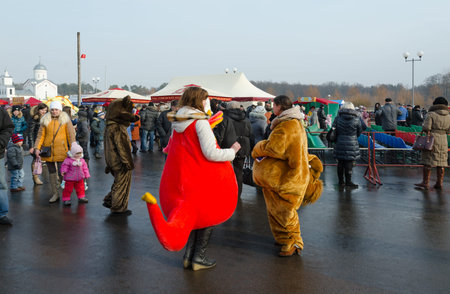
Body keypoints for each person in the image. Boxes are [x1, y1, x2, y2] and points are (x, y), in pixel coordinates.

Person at [141, 87, 241, 270]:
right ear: (199, 101)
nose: (207, 102)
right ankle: (199, 257)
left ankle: (189, 256)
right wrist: (232, 152)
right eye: (205, 99)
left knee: (194, 217)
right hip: (202, 177)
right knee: (207, 215)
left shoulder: (178, 122)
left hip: (185, 178)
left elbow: (173, 148)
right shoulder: (200, 123)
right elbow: (211, 153)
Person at [251, 95, 312, 257]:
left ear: (279, 106)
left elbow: (275, 148)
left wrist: (259, 147)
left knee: (285, 211)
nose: (271, 108)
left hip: (287, 177)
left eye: (273, 105)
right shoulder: (291, 121)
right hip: (285, 175)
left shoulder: (287, 124)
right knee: (275, 210)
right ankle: (283, 238)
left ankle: (293, 242)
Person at [103, 95, 139, 215]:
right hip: (120, 161)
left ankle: (110, 201)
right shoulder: (118, 128)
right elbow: (123, 148)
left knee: (118, 182)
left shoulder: (109, 126)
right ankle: (118, 207)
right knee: (122, 184)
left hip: (111, 160)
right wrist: (128, 163)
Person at [34, 101, 76, 203]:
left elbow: (71, 136)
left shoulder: (66, 120)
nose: (54, 111)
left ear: (60, 110)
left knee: (63, 174)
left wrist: (74, 148)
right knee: (51, 173)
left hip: (62, 151)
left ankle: (66, 196)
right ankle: (55, 194)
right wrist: (37, 148)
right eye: (52, 109)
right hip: (48, 151)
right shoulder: (45, 119)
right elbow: (41, 136)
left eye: (56, 109)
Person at [414, 97, 450, 190]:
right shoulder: (448, 116)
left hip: (432, 139)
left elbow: (426, 127)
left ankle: (425, 182)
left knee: (428, 161)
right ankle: (439, 183)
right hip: (443, 139)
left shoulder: (431, 114)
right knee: (441, 161)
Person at [223, 101, 253, 198]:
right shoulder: (246, 119)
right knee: (239, 171)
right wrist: (251, 148)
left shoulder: (225, 119)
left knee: (226, 171)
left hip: (228, 147)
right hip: (243, 147)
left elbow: (221, 134)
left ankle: (227, 191)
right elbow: (251, 135)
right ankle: (238, 193)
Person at [332, 102, 363, 189]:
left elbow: (334, 129)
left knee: (340, 163)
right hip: (352, 143)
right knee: (349, 163)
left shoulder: (338, 118)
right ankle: (348, 182)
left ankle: (341, 182)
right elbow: (359, 131)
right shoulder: (357, 119)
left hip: (340, 142)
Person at [0, 107, 14, 225]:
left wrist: (1, 142)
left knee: (1, 184)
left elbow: (8, 127)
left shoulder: (1, 112)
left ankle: (2, 214)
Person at [28, 103, 48, 185]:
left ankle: (55, 177)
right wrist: (32, 146)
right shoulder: (34, 119)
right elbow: (30, 133)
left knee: (48, 159)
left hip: (45, 142)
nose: (43, 112)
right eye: (42, 110)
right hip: (37, 142)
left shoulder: (47, 118)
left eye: (45, 110)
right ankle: (35, 177)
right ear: (38, 110)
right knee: (35, 160)